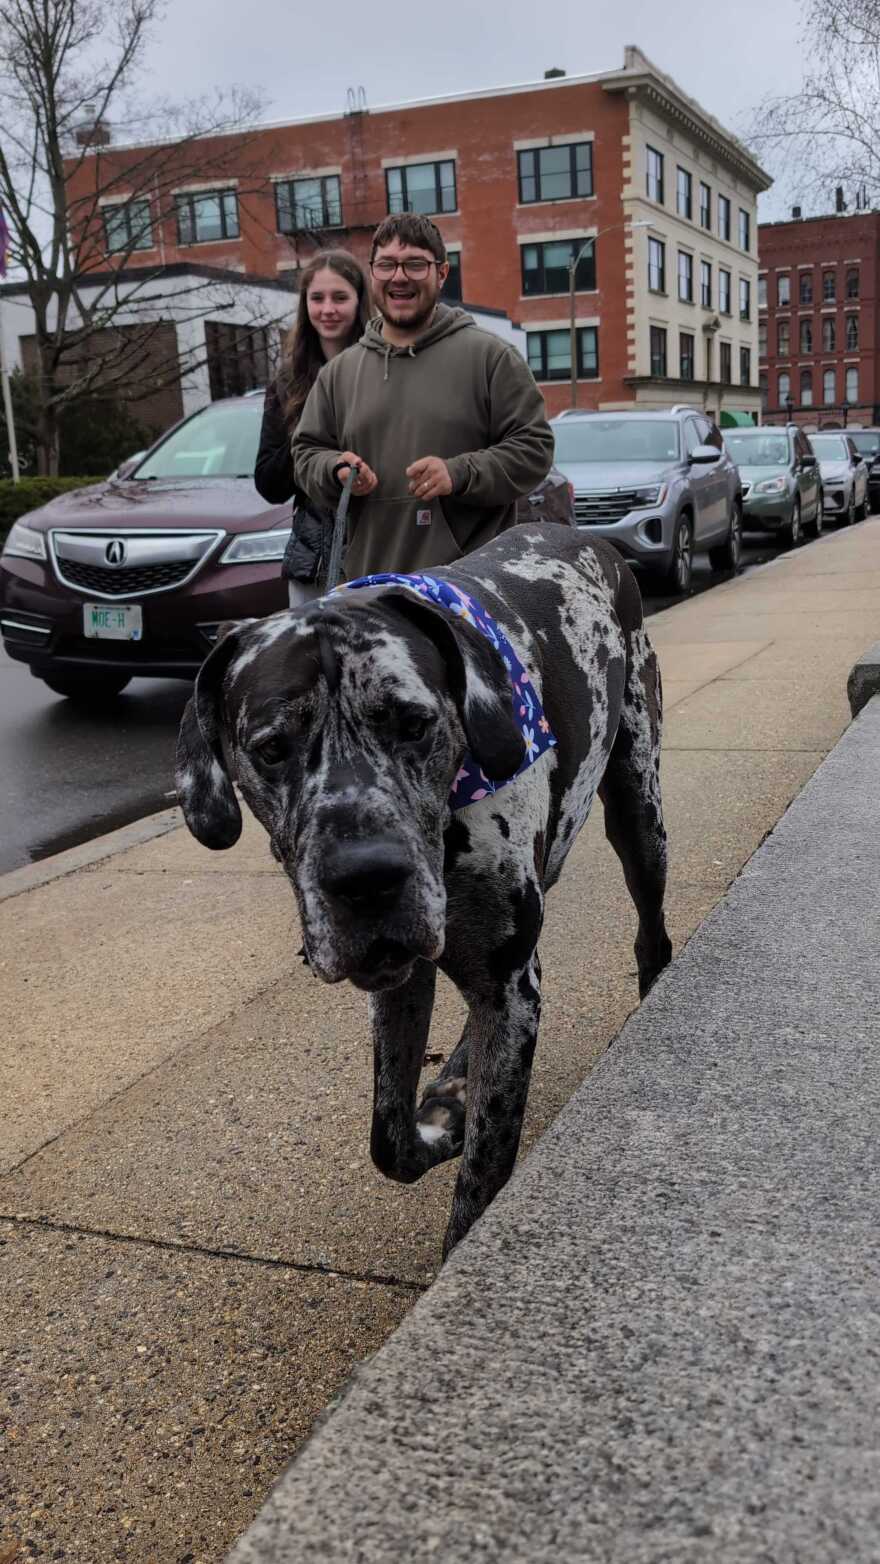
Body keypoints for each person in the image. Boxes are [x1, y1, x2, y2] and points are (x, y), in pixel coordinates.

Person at [292, 214, 554, 580]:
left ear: (442, 273)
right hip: (370, 588)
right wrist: (334, 470)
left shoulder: (490, 358)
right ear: (373, 274)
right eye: (386, 265)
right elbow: (306, 453)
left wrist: (458, 472)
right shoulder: (340, 372)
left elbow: (534, 448)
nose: (399, 277)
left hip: (471, 589)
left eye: (415, 264)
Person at [254, 249, 369, 605]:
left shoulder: (383, 371)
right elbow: (269, 484)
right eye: (317, 298)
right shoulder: (287, 383)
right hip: (312, 564)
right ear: (305, 305)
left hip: (375, 555)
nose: (328, 309)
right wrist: (308, 438)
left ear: (359, 302)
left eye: (340, 297)